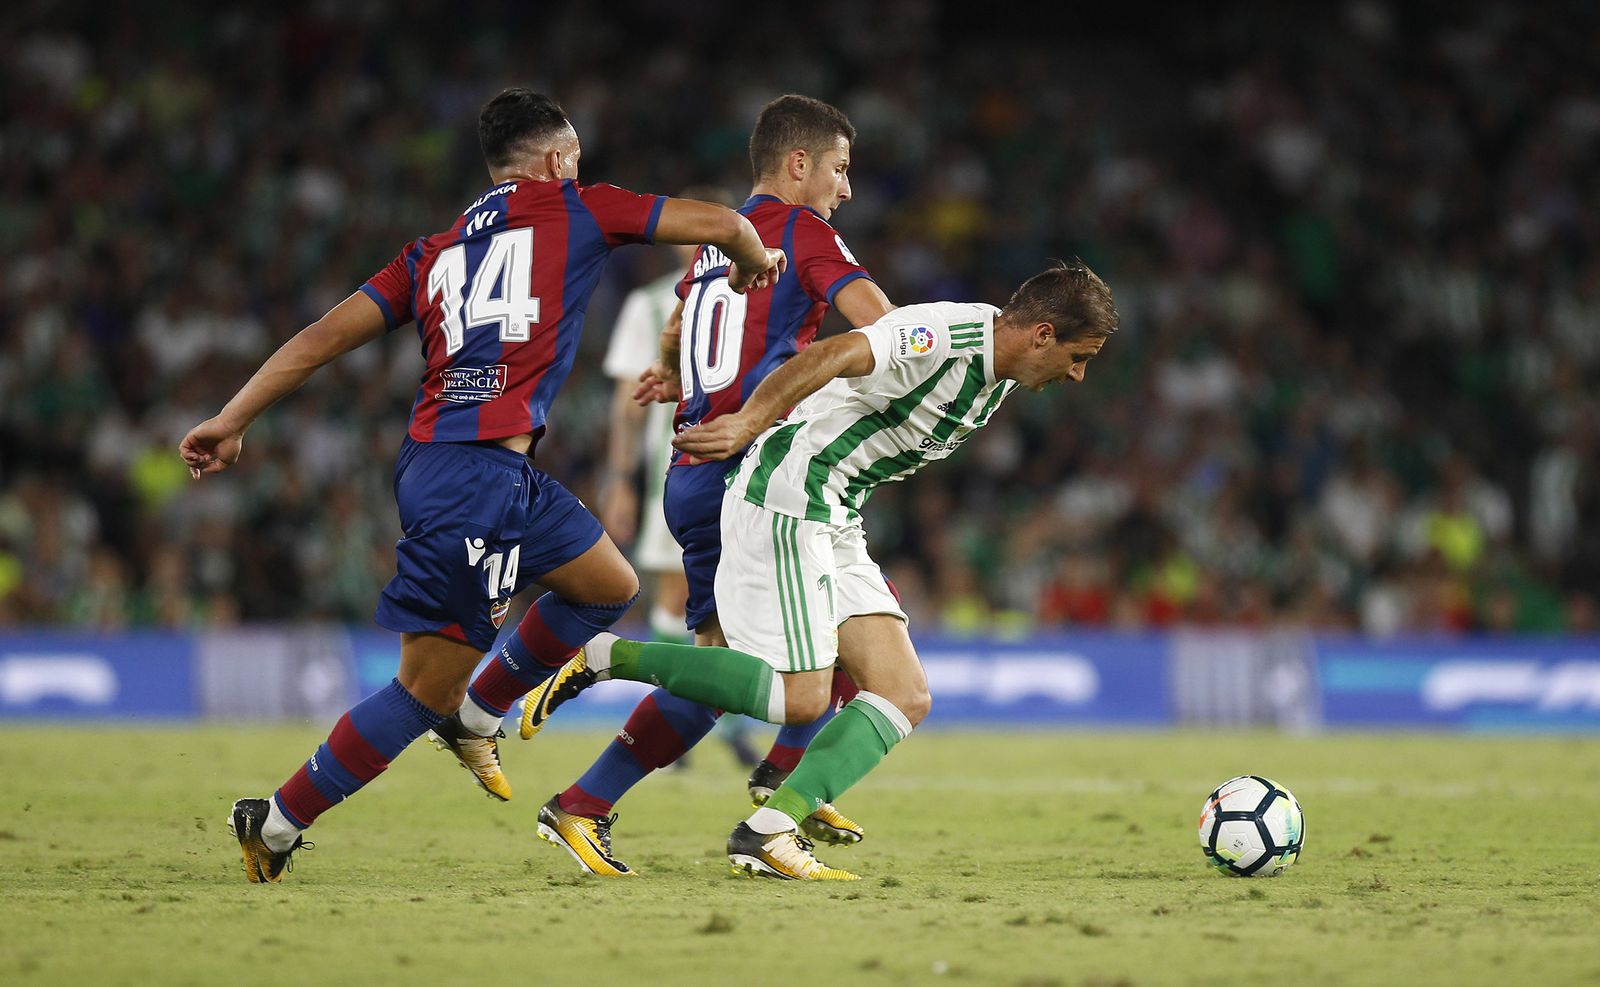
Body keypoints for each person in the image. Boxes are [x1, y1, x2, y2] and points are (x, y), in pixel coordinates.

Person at [180, 87, 786, 883]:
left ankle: (478, 713)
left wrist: (233, 416)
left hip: (484, 469)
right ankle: (279, 818)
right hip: (471, 479)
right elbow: (725, 222)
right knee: (420, 688)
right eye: (574, 159)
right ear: (556, 159)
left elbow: (323, 336)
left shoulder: (429, 253)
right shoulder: (580, 207)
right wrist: (756, 264)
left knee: (608, 582)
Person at [523, 260, 1118, 880]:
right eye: (1080, 357)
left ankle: (770, 828)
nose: (1077, 375)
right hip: (790, 496)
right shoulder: (946, 337)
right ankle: (607, 658)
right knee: (798, 696)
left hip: (835, 514)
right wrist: (749, 420)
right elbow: (834, 351)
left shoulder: (1002, 372)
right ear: (1043, 334)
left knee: (903, 694)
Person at [515, 95, 896, 878]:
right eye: (840, 169)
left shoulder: (718, 241)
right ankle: (767, 769)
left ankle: (588, 803)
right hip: (747, 477)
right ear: (800, 164)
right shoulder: (805, 233)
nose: (845, 189)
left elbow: (680, 316)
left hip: (689, 477)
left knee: (731, 667)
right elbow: (878, 328)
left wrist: (669, 368)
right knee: (817, 654)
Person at [594, 215, 761, 769]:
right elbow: (627, 398)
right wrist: (620, 478)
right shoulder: (649, 303)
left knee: (722, 600)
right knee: (679, 597)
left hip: (719, 463)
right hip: (681, 462)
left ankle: (698, 718)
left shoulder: (736, 292)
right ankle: (689, 718)